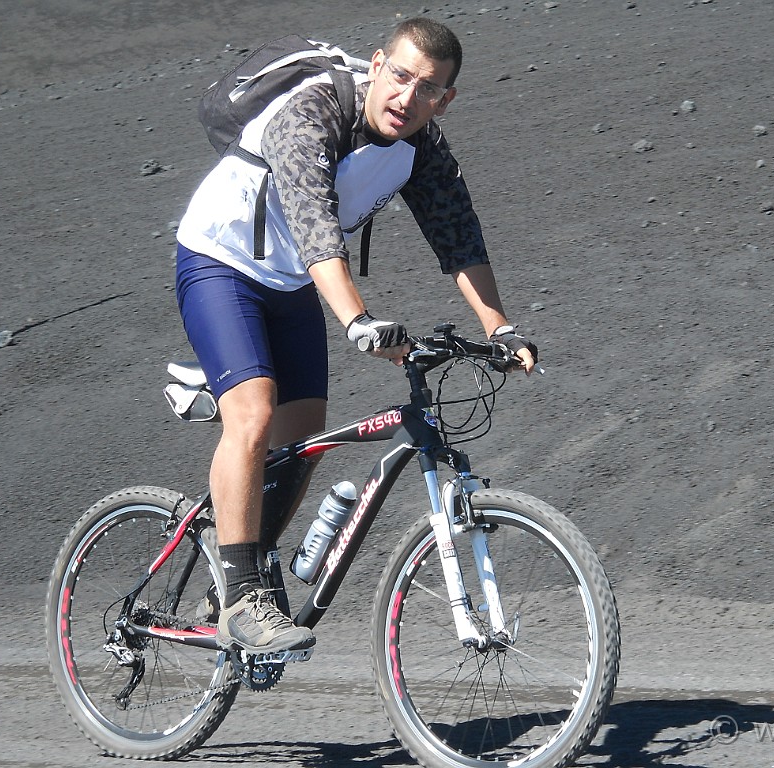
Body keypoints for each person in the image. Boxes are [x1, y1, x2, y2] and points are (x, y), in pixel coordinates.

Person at [174, 17, 537, 654]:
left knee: (305, 436)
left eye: (428, 89)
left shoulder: (418, 145)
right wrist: (356, 319)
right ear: (375, 66)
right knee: (254, 415)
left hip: (288, 283)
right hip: (219, 263)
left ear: (444, 99)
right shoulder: (311, 111)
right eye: (399, 77)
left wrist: (500, 327)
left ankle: (243, 568)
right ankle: (239, 599)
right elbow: (314, 220)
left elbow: (457, 234)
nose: (408, 98)